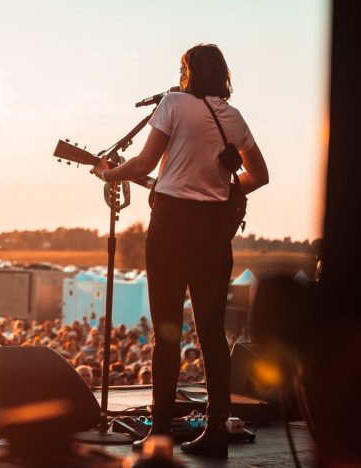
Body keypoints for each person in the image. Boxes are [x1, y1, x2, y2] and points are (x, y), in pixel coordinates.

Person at [91, 43, 268, 458]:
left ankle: (160, 432)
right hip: (212, 231)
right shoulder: (233, 117)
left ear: (187, 72)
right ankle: (217, 431)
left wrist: (107, 172)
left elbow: (143, 165)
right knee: (211, 332)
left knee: (166, 332)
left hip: (171, 226)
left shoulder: (172, 104)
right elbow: (259, 175)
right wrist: (224, 191)